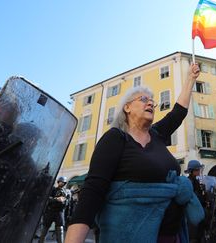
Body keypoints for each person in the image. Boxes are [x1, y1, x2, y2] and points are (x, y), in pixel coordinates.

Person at [65, 63, 203, 243]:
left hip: (171, 236)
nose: (151, 103)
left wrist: (190, 79)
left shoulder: (157, 134)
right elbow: (93, 191)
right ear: (127, 108)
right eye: (144, 99)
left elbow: (178, 112)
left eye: (152, 101)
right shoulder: (115, 138)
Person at [39, 176, 71, 243]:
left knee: (60, 230)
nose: (61, 183)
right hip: (51, 211)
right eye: (60, 182)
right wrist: (56, 199)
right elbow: (47, 199)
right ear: (58, 182)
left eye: (63, 182)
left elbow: (68, 202)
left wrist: (64, 200)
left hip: (60, 212)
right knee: (44, 229)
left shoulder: (67, 191)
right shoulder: (53, 190)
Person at [185, 159, 206, 243]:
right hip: (192, 212)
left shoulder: (195, 181)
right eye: (198, 170)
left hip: (196, 211)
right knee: (194, 236)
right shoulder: (189, 181)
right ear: (192, 171)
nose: (199, 171)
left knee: (198, 235)